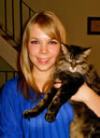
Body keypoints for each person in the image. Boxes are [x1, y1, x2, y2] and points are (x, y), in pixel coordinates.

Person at [0, 10, 100, 138]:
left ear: (62, 47)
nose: (43, 51)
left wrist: (88, 96)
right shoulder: (12, 90)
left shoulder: (84, 80)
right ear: (26, 46)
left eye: (52, 42)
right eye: (35, 42)